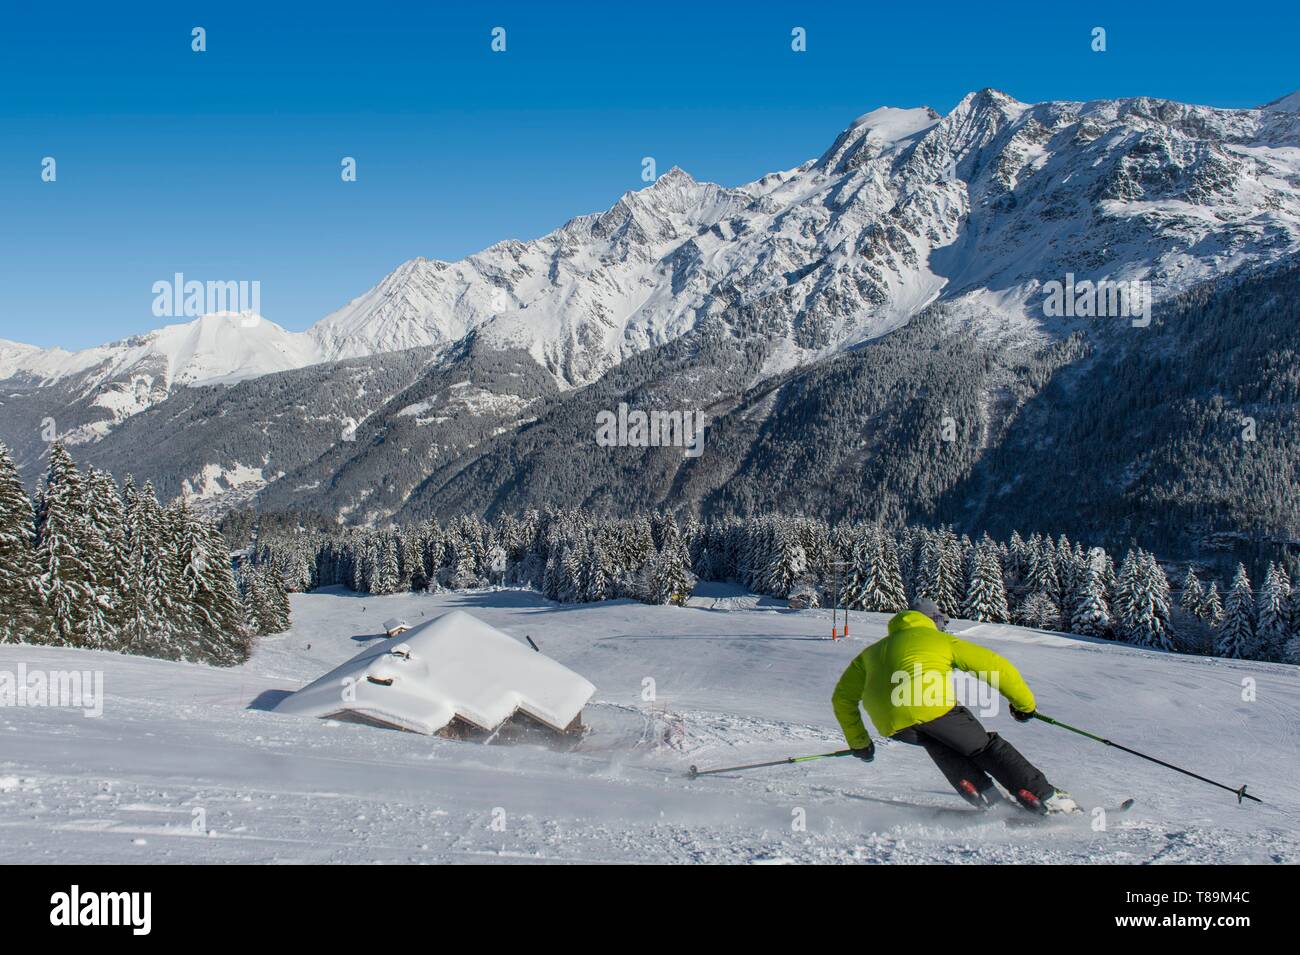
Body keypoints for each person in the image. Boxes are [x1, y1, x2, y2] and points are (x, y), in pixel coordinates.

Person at [831, 597, 1078, 814]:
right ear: (932, 619)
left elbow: (842, 699)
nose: (943, 626)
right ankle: (1045, 797)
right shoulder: (938, 640)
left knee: (940, 744)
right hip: (932, 708)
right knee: (985, 747)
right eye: (942, 621)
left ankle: (986, 796)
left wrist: (860, 743)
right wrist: (1024, 705)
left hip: (893, 725)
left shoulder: (870, 653)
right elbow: (996, 666)